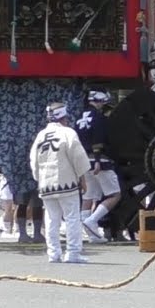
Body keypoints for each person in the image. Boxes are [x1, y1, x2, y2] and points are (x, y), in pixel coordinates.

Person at [30, 102, 92, 264]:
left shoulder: (41, 135)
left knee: (51, 219)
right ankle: (72, 252)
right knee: (72, 217)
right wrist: (82, 178)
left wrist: (39, 178)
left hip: (46, 183)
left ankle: (53, 253)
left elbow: (33, 161)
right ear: (64, 117)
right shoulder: (68, 133)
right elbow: (78, 158)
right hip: (66, 182)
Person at [77, 90, 121, 242]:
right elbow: (98, 139)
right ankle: (92, 220)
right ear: (99, 101)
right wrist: (97, 158)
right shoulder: (99, 117)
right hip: (99, 160)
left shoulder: (78, 117)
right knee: (114, 194)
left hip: (83, 161)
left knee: (88, 197)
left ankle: (91, 234)